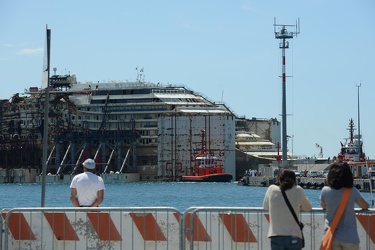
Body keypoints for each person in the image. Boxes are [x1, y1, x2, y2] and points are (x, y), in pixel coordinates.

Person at [320, 162, 368, 250]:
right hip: (349, 237)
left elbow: (323, 205)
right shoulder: (352, 191)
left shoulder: (325, 190)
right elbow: (365, 206)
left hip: (331, 235)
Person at [263, 168, 312, 250]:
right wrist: (298, 206)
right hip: (294, 236)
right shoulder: (298, 189)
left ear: (279, 179)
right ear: (294, 179)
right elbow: (308, 208)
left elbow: (266, 207)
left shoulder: (271, 189)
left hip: (276, 236)